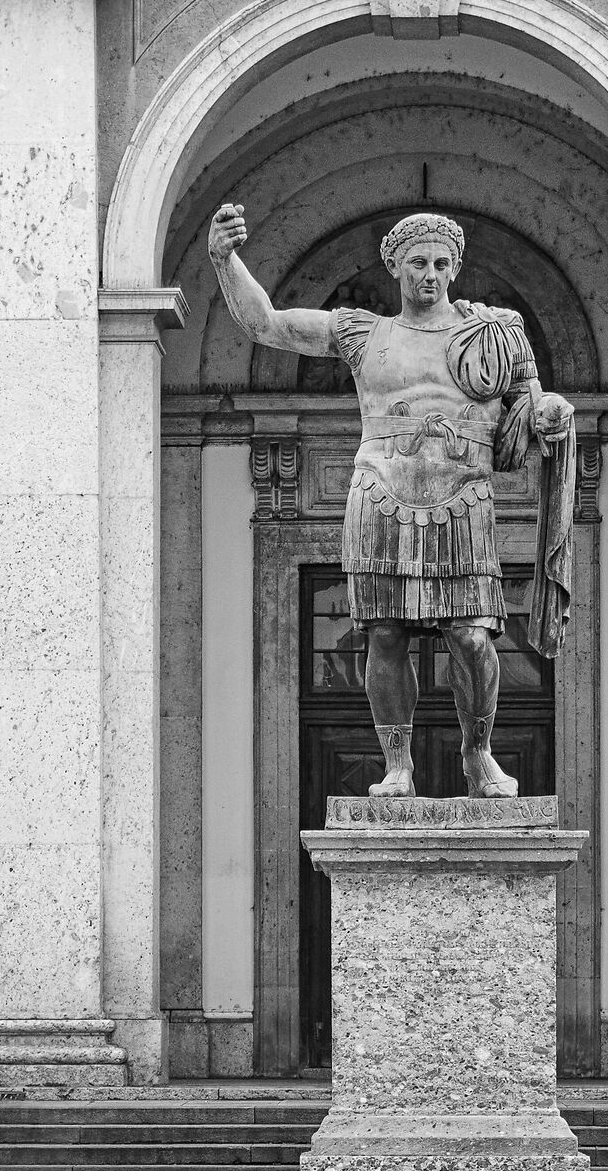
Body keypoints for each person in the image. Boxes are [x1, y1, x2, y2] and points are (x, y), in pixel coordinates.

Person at [208, 203, 575, 797]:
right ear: (395, 269)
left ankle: (478, 756)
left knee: (473, 635)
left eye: (439, 263)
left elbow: (531, 403)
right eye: (416, 263)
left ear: (454, 268)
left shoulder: (494, 332)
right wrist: (226, 261)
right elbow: (267, 324)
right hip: (381, 494)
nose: (428, 274)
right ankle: (398, 764)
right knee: (384, 634)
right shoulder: (363, 333)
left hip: (463, 495)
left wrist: (552, 412)